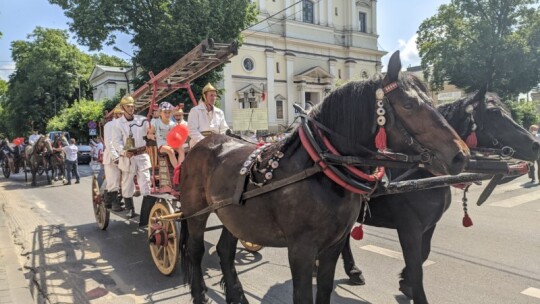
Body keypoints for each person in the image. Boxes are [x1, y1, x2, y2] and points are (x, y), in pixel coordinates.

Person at [111, 95, 155, 222]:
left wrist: (152, 130)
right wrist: (124, 152)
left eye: (132, 106)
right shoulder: (117, 124)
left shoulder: (142, 120)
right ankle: (130, 209)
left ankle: (147, 213)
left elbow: (150, 130)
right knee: (127, 184)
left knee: (146, 183)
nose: (131, 109)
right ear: (123, 107)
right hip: (128, 157)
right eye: (128, 106)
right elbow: (116, 141)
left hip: (141, 155)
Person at [187, 83, 229, 147]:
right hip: (198, 144)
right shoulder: (195, 111)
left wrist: (220, 140)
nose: (214, 98)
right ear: (204, 96)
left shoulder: (219, 112)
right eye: (211, 95)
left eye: (215, 95)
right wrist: (205, 142)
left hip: (216, 144)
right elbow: (191, 130)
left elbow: (224, 128)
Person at [102, 106, 124, 210]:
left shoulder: (124, 125)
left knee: (123, 180)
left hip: (122, 155)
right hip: (112, 156)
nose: (122, 116)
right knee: (114, 179)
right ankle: (114, 203)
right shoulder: (109, 125)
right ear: (116, 114)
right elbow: (109, 142)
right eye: (121, 114)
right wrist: (115, 156)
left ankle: (109, 200)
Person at [149, 101, 182, 167]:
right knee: (170, 151)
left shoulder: (173, 124)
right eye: (165, 112)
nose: (167, 114)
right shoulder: (156, 122)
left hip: (171, 143)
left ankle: (181, 166)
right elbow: (149, 134)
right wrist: (153, 136)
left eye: (169, 112)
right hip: (162, 145)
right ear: (160, 113)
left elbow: (175, 136)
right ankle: (177, 170)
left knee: (181, 149)